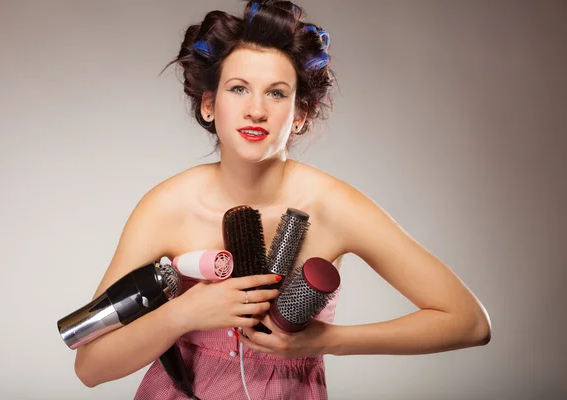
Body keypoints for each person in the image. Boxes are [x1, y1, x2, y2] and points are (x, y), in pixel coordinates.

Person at [73, 1, 492, 399]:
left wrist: (326, 341)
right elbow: (90, 367)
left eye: (276, 93)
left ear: (301, 114)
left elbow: (469, 323)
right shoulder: (167, 207)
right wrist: (183, 315)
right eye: (238, 89)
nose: (256, 110)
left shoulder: (333, 205)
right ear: (208, 105)